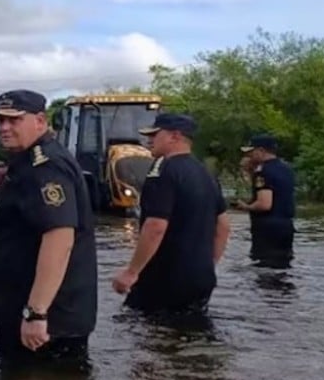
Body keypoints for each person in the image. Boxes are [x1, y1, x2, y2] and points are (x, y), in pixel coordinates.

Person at [0, 89, 97, 366]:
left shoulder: (46, 166)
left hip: (47, 322)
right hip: (34, 313)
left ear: (40, 120)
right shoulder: (29, 162)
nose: (4, 128)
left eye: (14, 120)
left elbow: (59, 237)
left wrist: (37, 313)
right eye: (0, 121)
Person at [112, 113, 230, 314]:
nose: (148, 140)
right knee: (191, 333)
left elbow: (155, 226)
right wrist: (208, 265)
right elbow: (224, 227)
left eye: (155, 134)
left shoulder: (163, 170)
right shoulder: (206, 173)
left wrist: (131, 272)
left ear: (174, 136)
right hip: (201, 278)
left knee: (145, 333)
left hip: (165, 277)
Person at [235, 134, 296, 267]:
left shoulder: (263, 171)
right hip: (286, 226)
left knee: (264, 268)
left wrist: (245, 206)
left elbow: (264, 204)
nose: (249, 156)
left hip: (267, 229)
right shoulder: (286, 169)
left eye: (252, 152)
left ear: (261, 151)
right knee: (283, 266)